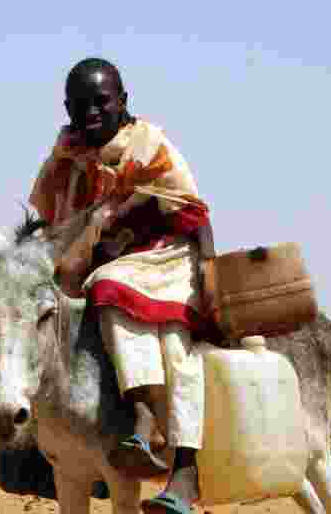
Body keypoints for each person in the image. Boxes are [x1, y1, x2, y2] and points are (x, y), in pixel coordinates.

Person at [28, 57, 217, 514]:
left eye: (101, 102)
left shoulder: (149, 146)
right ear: (66, 109)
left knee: (175, 344)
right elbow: (49, 221)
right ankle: (30, 452)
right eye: (79, 105)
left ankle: (164, 440)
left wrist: (210, 274)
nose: (91, 113)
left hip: (166, 260)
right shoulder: (65, 160)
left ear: (123, 101)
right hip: (104, 267)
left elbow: (192, 212)